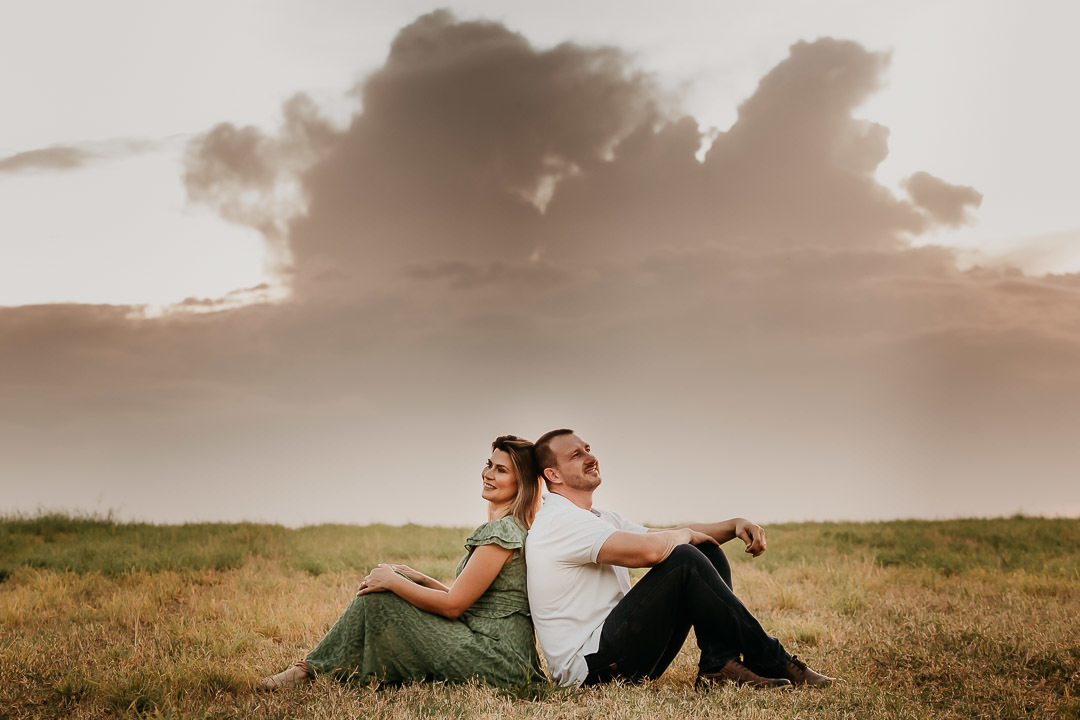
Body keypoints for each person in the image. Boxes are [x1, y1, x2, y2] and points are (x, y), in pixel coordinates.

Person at [525, 428, 835, 690]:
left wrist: (734, 524)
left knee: (703, 549)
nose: (590, 457)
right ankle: (772, 657)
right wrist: (685, 535)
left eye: (588, 449)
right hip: (591, 671)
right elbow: (651, 550)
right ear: (552, 474)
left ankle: (719, 666)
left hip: (618, 653)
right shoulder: (559, 521)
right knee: (685, 556)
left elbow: (664, 534)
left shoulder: (599, 517)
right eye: (576, 455)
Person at [260, 435, 546, 690]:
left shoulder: (502, 532)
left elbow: (454, 606)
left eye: (501, 470)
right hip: (493, 647)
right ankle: (317, 667)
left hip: (498, 659)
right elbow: (472, 599)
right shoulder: (512, 528)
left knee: (382, 595)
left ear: (521, 483)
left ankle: (307, 670)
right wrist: (419, 579)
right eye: (489, 464)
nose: (488, 474)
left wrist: (393, 582)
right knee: (391, 587)